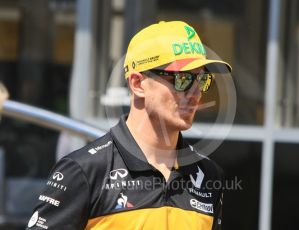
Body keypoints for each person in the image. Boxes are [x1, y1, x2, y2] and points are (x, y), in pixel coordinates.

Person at [26, 20, 232, 230]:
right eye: (183, 79)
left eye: (202, 80)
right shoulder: (85, 171)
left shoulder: (209, 176)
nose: (196, 94)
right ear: (137, 83)